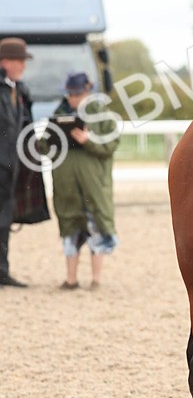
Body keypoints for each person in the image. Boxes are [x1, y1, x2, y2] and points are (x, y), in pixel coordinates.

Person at [43, 72, 120, 290]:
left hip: (93, 186)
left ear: (87, 93)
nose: (72, 98)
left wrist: (89, 141)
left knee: (97, 227)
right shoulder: (58, 114)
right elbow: (44, 146)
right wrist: (52, 139)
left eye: (76, 94)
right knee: (70, 228)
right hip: (67, 186)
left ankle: (96, 279)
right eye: (70, 94)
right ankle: (71, 279)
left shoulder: (103, 117)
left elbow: (111, 146)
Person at [0, 36, 35, 287]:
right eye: (19, 61)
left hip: (9, 167)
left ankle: (2, 271)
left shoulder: (17, 90)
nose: (23, 66)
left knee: (4, 219)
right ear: (5, 62)